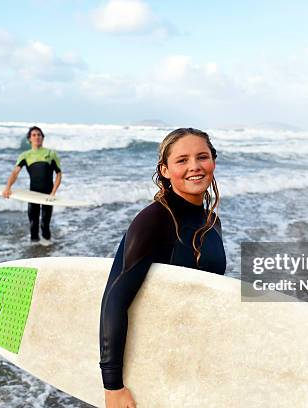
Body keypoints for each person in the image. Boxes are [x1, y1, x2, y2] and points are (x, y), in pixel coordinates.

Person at [99, 128, 226, 408]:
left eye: (202, 157)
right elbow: (114, 300)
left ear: (213, 162)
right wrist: (113, 386)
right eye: (182, 160)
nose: (194, 166)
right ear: (165, 170)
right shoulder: (153, 220)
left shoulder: (211, 222)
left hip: (193, 361)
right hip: (155, 364)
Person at [2, 126, 62, 244]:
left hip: (47, 195)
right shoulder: (25, 155)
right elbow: (15, 172)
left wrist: (53, 192)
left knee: (45, 224)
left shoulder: (51, 154)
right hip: (32, 194)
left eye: (39, 135)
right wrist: (7, 188)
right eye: (34, 135)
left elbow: (59, 174)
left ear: (43, 138)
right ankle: (34, 251)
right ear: (29, 139)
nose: (37, 137)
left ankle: (48, 248)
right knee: (33, 224)